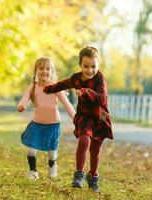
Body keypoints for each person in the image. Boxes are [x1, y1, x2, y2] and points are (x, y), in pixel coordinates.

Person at [44, 46, 113, 192]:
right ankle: (79, 174)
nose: (90, 70)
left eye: (93, 66)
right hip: (85, 116)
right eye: (86, 66)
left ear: (98, 65)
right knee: (84, 140)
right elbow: (63, 84)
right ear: (80, 65)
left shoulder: (100, 78)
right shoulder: (76, 79)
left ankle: (93, 176)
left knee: (95, 151)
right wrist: (49, 89)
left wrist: (85, 91)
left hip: (99, 118)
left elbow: (102, 98)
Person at [17, 57, 76, 180]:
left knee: (51, 153)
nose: (44, 71)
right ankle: (33, 171)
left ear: (52, 72)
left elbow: (67, 104)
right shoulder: (32, 87)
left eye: (48, 69)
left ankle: (52, 164)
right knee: (31, 150)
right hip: (36, 124)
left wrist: (76, 119)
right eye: (41, 68)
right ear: (36, 71)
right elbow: (25, 99)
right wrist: (21, 105)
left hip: (53, 125)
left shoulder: (55, 87)